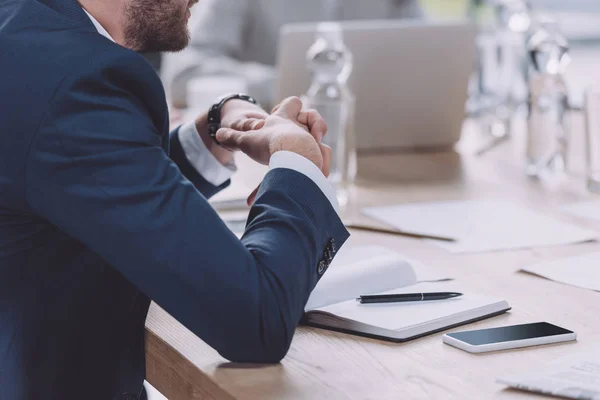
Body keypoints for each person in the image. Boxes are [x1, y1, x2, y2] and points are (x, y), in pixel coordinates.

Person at [0, 0, 350, 399]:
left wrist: (213, 132)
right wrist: (296, 162)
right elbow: (255, 320)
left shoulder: (24, 32)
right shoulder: (73, 79)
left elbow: (80, 182)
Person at [162, 0, 425, 108]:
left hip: (379, 155)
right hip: (268, 158)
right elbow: (183, 76)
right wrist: (287, 86)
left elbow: (431, 58)